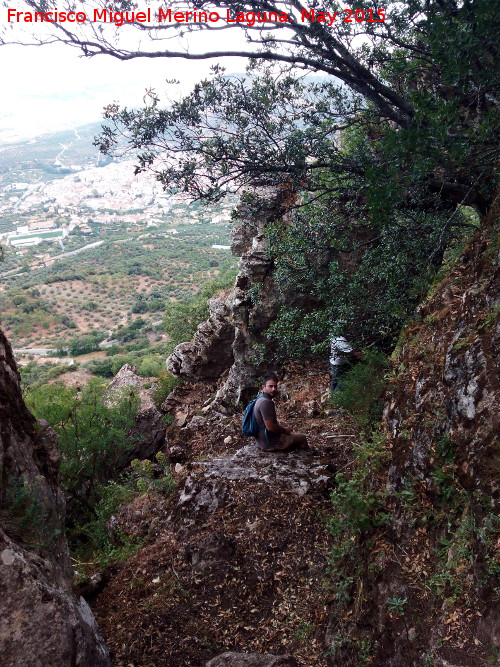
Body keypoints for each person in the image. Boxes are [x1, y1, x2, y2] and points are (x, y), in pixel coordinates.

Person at [253, 373, 309, 452]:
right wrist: (285, 430)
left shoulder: (259, 398)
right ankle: (305, 457)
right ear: (263, 387)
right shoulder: (266, 403)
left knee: (292, 434)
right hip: (271, 443)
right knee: (302, 437)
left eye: (275, 386)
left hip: (262, 441)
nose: (274, 389)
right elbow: (270, 427)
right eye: (270, 386)